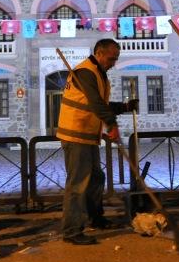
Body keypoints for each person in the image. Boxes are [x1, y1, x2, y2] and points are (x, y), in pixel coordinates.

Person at [56, 39, 138, 245]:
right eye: (111, 58)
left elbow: (101, 103)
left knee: (95, 179)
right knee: (78, 184)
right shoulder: (86, 72)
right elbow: (95, 103)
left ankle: (96, 218)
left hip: (87, 135)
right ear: (99, 54)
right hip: (76, 134)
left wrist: (124, 107)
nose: (113, 62)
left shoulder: (98, 73)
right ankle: (71, 230)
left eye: (116, 59)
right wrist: (112, 124)